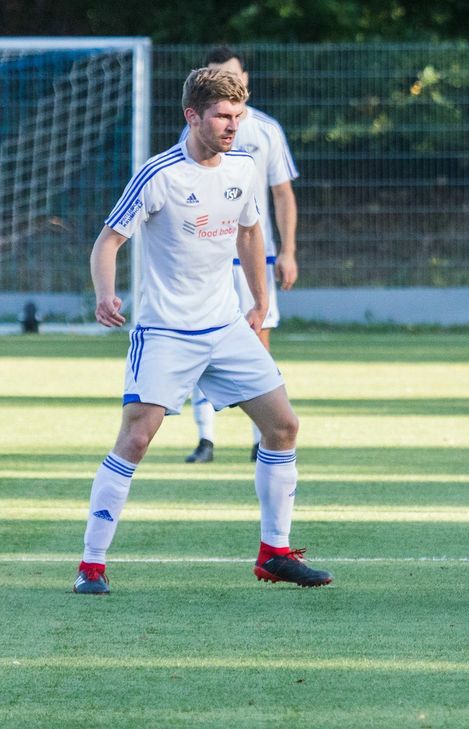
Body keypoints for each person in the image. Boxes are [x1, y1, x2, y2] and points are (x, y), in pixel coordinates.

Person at [72, 67, 330, 594]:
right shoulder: (159, 174)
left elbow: (251, 232)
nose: (233, 126)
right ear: (193, 116)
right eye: (222, 116)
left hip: (225, 326)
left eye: (238, 115)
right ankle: (91, 564)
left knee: (282, 426)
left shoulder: (243, 167)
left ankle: (274, 553)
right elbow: (107, 242)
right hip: (165, 331)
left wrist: (260, 300)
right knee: (137, 438)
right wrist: (105, 293)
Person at [183, 46, 300, 464]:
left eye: (230, 75)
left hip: (255, 257)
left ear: (245, 79)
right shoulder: (194, 133)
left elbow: (282, 194)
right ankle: (205, 438)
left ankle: (261, 437)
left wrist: (287, 250)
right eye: (213, 75)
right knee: (198, 341)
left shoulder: (266, 131)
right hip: (209, 260)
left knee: (257, 342)